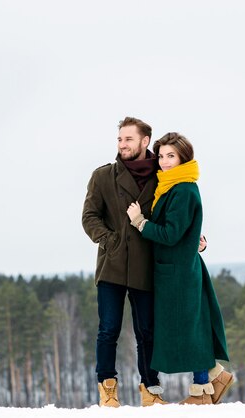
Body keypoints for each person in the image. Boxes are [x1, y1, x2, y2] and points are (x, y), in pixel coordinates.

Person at [126, 132, 234, 405]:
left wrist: (140, 222)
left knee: (188, 330)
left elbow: (171, 233)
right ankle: (214, 377)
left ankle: (202, 389)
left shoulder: (183, 188)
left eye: (170, 156)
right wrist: (196, 239)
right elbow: (185, 227)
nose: (164, 162)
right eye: (161, 156)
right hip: (176, 269)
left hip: (179, 273)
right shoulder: (172, 186)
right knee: (188, 328)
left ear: (183, 157)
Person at [82, 117, 167, 407]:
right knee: (108, 329)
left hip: (146, 264)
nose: (122, 144)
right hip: (112, 266)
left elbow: (173, 217)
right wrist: (110, 241)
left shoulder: (163, 176)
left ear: (145, 141)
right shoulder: (103, 176)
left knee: (148, 332)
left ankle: (150, 390)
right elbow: (89, 217)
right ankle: (108, 389)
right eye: (120, 139)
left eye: (128, 139)